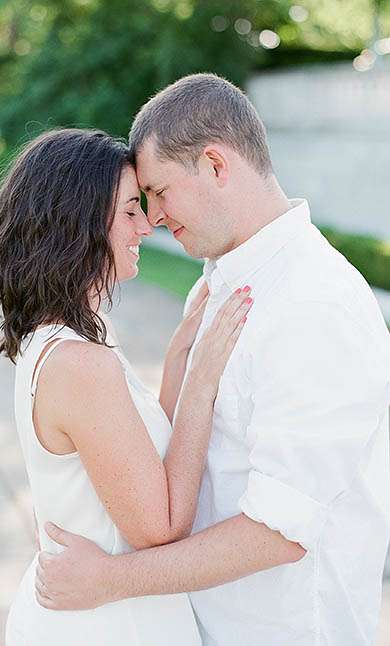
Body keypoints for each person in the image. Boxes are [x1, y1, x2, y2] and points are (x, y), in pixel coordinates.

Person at [35, 74, 390, 645]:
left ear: (216, 165)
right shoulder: (223, 282)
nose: (152, 219)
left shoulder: (315, 305)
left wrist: (109, 580)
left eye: (159, 192)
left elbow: (279, 532)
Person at [0, 127, 254, 645]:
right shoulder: (80, 363)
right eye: (130, 210)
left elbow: (146, 461)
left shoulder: (64, 338)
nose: (147, 226)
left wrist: (177, 359)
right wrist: (200, 382)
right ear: (79, 223)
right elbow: (162, 527)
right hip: (104, 626)